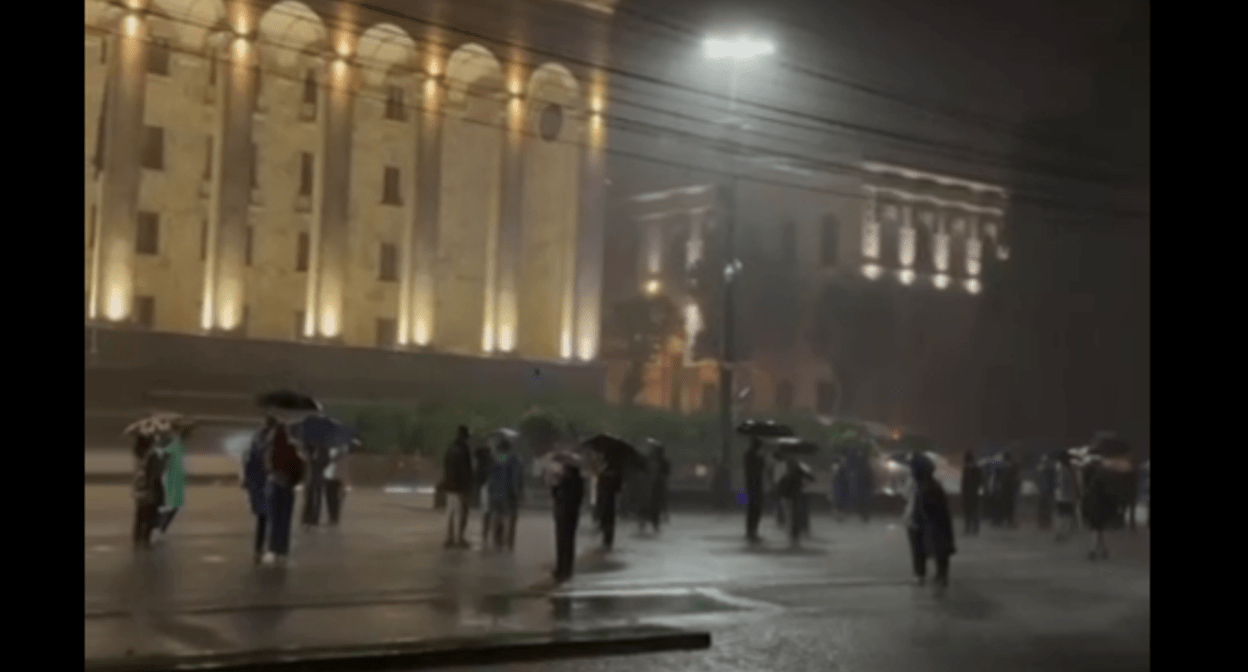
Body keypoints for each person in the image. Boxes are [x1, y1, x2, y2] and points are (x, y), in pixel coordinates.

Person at [903, 453, 955, 590]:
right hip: (922, 522)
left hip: (923, 522)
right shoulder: (929, 484)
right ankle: (936, 575)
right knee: (929, 549)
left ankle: (928, 575)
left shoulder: (925, 486)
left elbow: (920, 505)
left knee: (926, 549)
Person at [265, 419, 304, 565]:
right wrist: (294, 481)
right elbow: (299, 468)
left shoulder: (271, 449)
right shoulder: (292, 448)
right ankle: (283, 549)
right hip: (287, 486)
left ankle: (273, 548)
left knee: (274, 519)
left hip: (274, 485)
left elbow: (267, 467)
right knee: (285, 519)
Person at [243, 418, 276, 564]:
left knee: (263, 518)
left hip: (258, 485)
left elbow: (248, 464)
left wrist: (247, 481)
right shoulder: (270, 445)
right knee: (267, 518)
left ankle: (260, 548)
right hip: (267, 485)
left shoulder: (256, 444)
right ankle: (267, 548)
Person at [551, 456, 585, 583]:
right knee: (570, 542)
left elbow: (555, 494)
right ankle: (568, 568)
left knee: (561, 542)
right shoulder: (580, 481)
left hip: (562, 514)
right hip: (573, 514)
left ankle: (561, 568)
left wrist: (555, 483)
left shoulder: (564, 480)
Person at [485, 438, 524, 550]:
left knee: (497, 517)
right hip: (509, 493)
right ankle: (510, 542)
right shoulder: (514, 459)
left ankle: (498, 542)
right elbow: (516, 477)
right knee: (511, 518)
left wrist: (490, 491)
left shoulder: (495, 459)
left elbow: (490, 478)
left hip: (495, 494)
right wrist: (518, 492)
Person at [442, 426, 475, 548]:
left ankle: (450, 538)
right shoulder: (464, 449)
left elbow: (445, 467)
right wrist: (468, 486)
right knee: (461, 513)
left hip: (449, 486)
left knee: (450, 513)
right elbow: (466, 470)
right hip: (460, 487)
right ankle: (460, 539)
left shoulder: (450, 448)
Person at [131, 434, 165, 549]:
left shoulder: (139, 455)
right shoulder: (152, 455)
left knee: (140, 516)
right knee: (150, 516)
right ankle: (145, 540)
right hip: (150, 490)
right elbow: (155, 474)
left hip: (140, 489)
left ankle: (137, 539)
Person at [156, 426, 188, 535]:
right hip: (170, 480)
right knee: (170, 506)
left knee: (172, 506)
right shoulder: (172, 446)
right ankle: (160, 526)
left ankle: (160, 527)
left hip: (174, 480)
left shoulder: (176, 445)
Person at [1082, 460, 1115, 560]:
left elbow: (1085, 503)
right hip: (1100, 509)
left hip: (1093, 509)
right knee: (1097, 530)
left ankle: (1103, 550)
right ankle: (1093, 550)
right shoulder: (1102, 484)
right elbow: (1109, 497)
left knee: (1098, 530)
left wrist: (1085, 514)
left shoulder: (1089, 488)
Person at [777, 456, 814, 546]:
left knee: (791, 516)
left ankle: (793, 535)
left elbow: (781, 484)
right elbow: (811, 478)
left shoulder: (789, 473)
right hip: (791, 496)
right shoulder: (796, 473)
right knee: (794, 516)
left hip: (786, 496)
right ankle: (794, 535)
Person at [300, 437, 331, 527]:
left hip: (317, 473)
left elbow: (326, 461)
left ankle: (315, 518)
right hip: (309, 473)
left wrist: (319, 462)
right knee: (308, 495)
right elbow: (302, 455)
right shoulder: (305, 444)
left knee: (317, 496)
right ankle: (307, 518)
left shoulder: (323, 446)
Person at [595, 457, 623, 551]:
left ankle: (607, 541)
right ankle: (607, 541)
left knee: (607, 520)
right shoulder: (605, 474)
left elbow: (599, 489)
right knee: (608, 520)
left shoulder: (605, 474)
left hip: (607, 501)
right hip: (608, 501)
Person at [323, 440, 354, 526]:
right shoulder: (327, 446)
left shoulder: (343, 448)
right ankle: (332, 517)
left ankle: (334, 518)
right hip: (328, 474)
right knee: (329, 497)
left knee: (336, 497)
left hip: (337, 475)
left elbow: (343, 462)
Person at [644, 443, 671, 533]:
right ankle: (655, 522)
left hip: (655, 485)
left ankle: (653, 521)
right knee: (657, 504)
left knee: (654, 504)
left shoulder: (655, 460)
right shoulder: (661, 461)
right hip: (656, 485)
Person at [744, 437, 766, 543]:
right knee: (755, 509)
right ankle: (752, 531)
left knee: (753, 509)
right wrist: (761, 459)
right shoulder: (752, 455)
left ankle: (751, 530)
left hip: (752, 486)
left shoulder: (751, 454)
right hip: (754, 486)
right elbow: (758, 469)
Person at [1053, 453, 1079, 542]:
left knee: (1060, 515)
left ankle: (1059, 533)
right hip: (1067, 496)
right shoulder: (1067, 470)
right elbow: (1068, 483)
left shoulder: (1058, 468)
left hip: (1059, 495)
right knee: (1067, 516)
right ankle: (1063, 534)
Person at [474, 443, 495, 542]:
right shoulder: (490, 460)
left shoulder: (479, 460)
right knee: (490, 511)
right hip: (490, 486)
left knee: (486, 511)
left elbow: (477, 476)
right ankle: (489, 532)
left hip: (483, 486)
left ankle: (485, 532)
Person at [960, 450, 982, 536]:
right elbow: (964, 483)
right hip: (969, 494)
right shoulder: (967, 469)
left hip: (973, 494)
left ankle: (973, 528)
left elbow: (979, 481)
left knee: (973, 512)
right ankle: (969, 527)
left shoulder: (976, 469)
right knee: (969, 512)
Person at [1000, 452, 1020, 529]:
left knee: (1006, 506)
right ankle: (1009, 521)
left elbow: (1002, 480)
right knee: (1010, 507)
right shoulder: (1012, 467)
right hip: (1010, 490)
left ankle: (1007, 521)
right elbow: (1016, 479)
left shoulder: (1003, 468)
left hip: (1006, 490)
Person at [1037, 455, 1056, 531]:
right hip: (1044, 491)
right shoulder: (1048, 469)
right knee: (1044, 509)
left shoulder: (1045, 469)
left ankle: (1044, 523)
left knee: (1045, 509)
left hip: (1044, 491)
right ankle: (1043, 523)